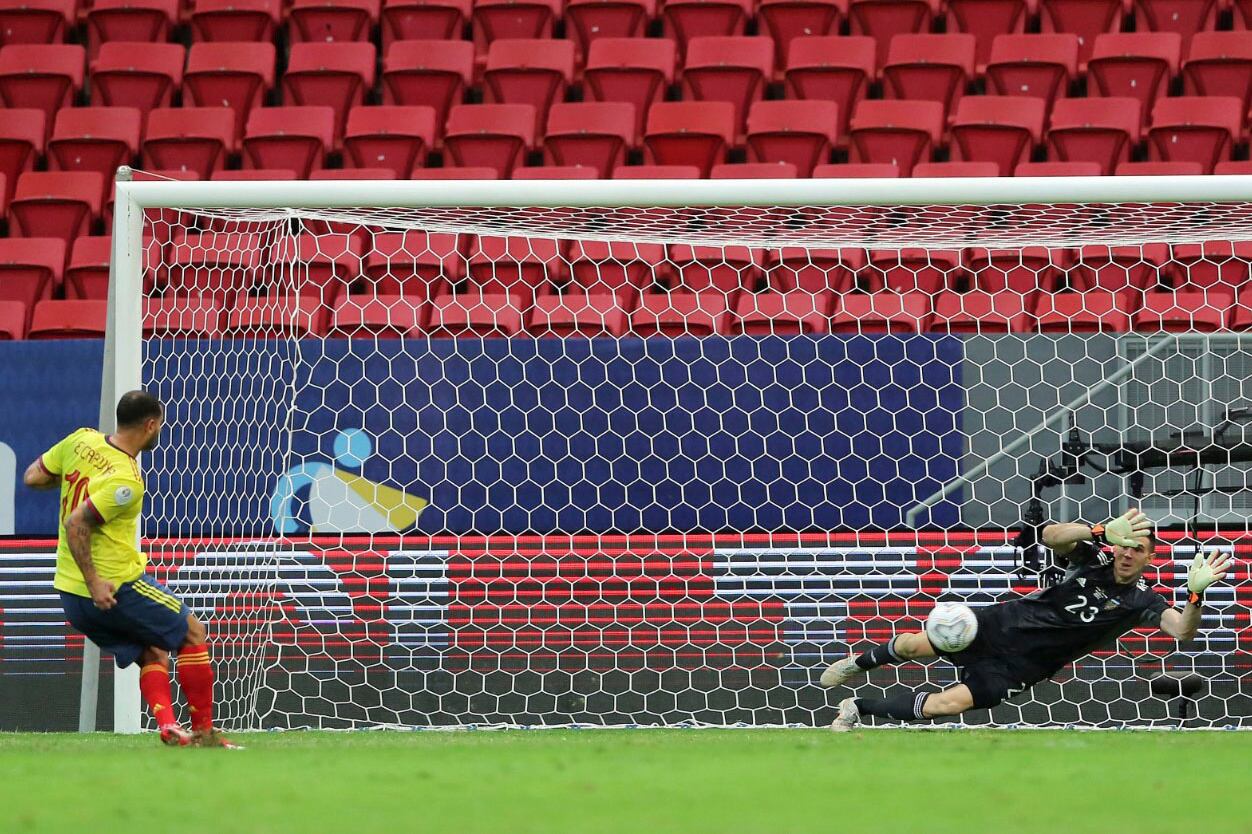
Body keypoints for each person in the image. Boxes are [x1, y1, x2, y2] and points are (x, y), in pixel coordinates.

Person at [820, 508, 1232, 730]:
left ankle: (857, 707)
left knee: (947, 705)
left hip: (1026, 665)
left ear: (1149, 558)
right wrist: (1100, 530)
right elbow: (1050, 535)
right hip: (999, 626)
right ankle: (856, 665)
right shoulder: (1091, 560)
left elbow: (1182, 630)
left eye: (1138, 550)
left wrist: (1195, 595)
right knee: (915, 645)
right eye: (1125, 545)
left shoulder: (1143, 601)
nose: (1128, 553)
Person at [23, 390, 239, 748]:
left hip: (70, 595)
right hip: (112, 586)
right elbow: (77, 523)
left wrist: (80, 481)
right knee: (193, 633)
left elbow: (33, 476)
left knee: (152, 651)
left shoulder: (81, 439)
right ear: (151, 425)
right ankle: (205, 733)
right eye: (160, 426)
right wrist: (95, 581)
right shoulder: (126, 480)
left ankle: (170, 726)